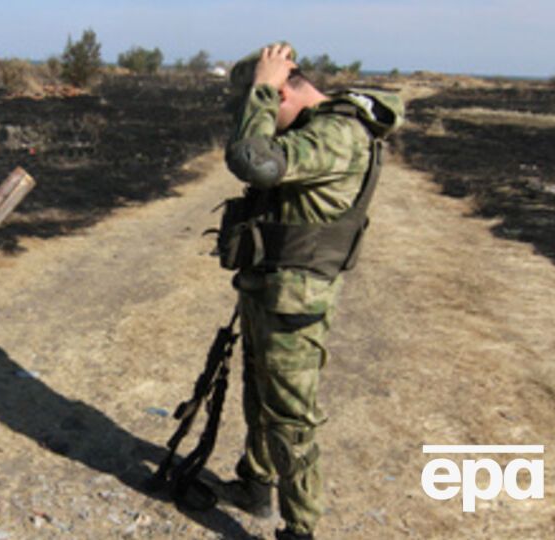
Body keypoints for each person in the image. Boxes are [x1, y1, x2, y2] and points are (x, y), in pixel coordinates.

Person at [221, 43, 404, 540]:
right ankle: (256, 483)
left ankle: (300, 527)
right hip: (273, 285)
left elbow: (254, 161)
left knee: (291, 418)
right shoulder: (315, 129)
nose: (254, 117)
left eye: (261, 104)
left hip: (296, 297)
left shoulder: (336, 133)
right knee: (259, 392)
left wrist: (261, 88)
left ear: (281, 94)